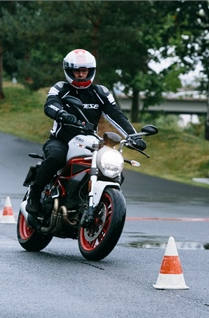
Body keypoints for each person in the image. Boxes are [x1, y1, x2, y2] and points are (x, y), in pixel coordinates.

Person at [25, 49, 146, 215]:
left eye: (84, 71)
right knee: (55, 157)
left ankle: (100, 204)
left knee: (111, 167)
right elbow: (50, 105)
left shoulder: (100, 92)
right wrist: (62, 114)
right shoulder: (60, 88)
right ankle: (35, 194)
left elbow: (116, 115)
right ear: (69, 71)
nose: (81, 75)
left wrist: (132, 136)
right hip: (61, 140)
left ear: (91, 71)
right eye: (77, 71)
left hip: (90, 142)